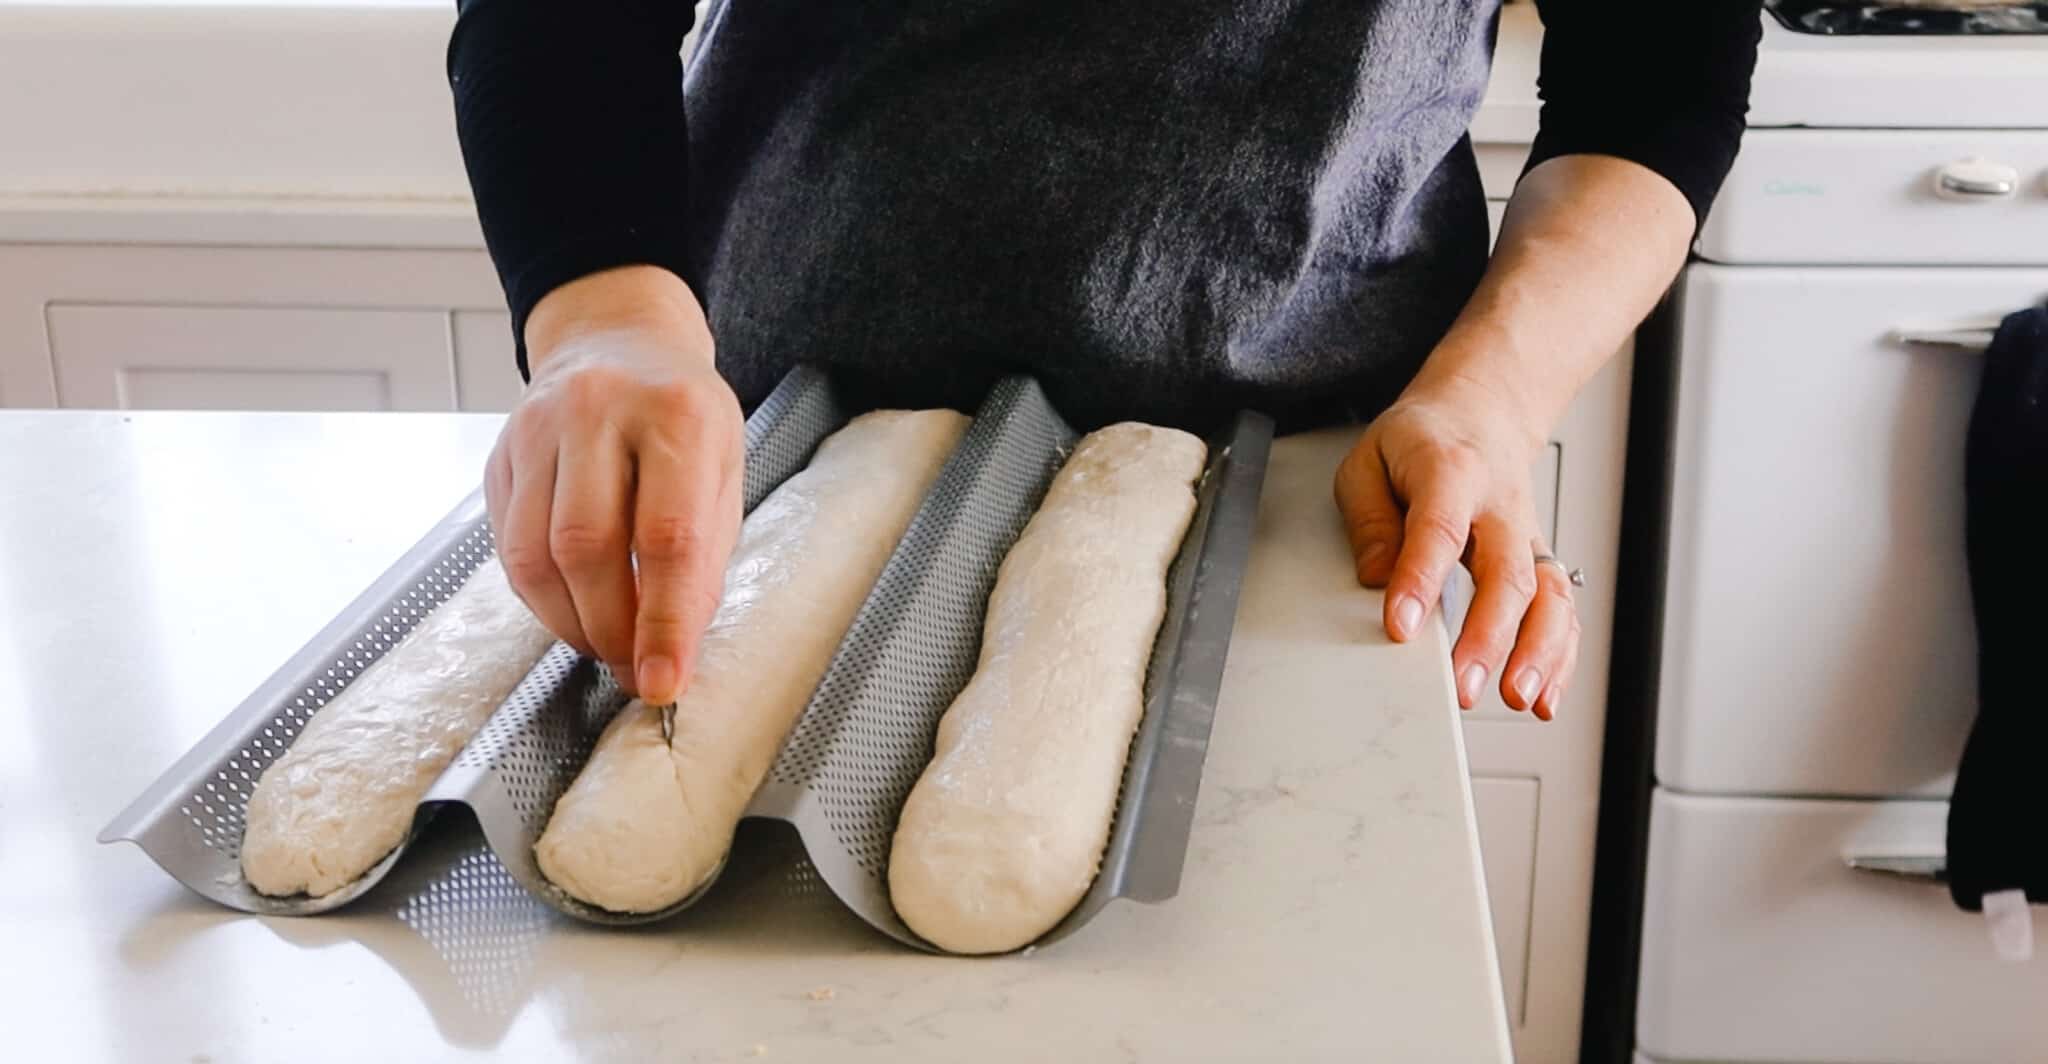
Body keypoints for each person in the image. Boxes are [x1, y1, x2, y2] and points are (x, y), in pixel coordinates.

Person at [446, 0, 1762, 722]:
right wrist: (606, 323)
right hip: (773, 441)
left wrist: (1495, 397)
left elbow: (1656, 73)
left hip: (1322, 473)